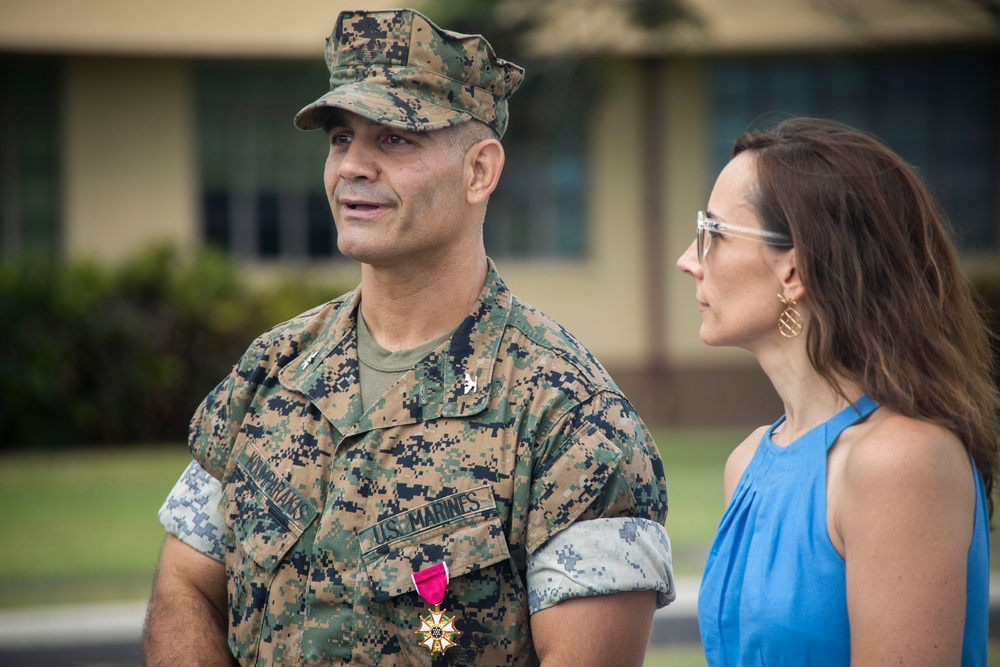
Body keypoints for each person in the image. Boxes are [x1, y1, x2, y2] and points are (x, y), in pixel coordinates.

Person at [142, 8, 674, 667]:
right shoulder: (272, 370)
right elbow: (186, 584)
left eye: (395, 140)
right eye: (341, 138)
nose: (353, 167)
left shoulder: (567, 412)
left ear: (480, 170)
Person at [676, 117, 997, 666]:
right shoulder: (748, 461)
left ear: (794, 271)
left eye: (714, 232)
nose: (689, 260)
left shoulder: (901, 462)